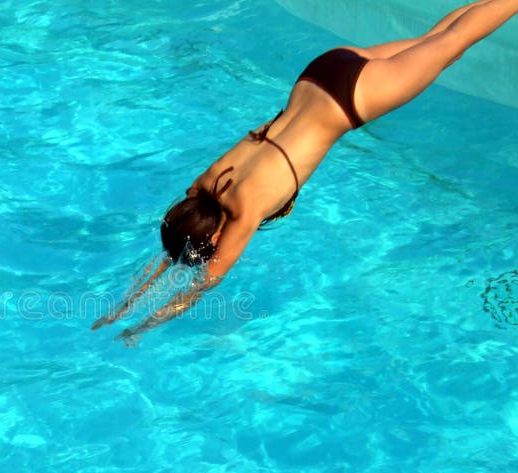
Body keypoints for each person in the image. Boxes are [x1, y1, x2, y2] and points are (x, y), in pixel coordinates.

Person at [93, 0, 518, 344]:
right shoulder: (206, 182)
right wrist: (121, 307)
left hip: (353, 98)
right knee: (439, 41)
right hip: (319, 74)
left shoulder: (245, 212)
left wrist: (139, 328)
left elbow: (199, 286)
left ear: (216, 236)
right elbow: (176, 244)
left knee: (456, 40)